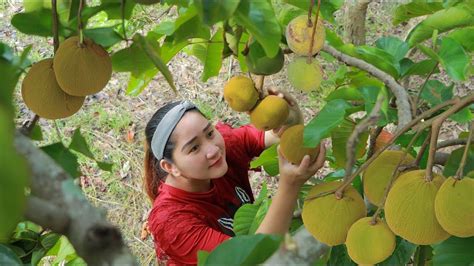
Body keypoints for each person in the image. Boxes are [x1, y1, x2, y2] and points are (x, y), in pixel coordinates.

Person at [143, 94, 326, 265]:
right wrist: (290, 186)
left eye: (209, 133)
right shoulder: (172, 224)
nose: (213, 150)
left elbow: (277, 137)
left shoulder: (224, 148)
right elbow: (251, 260)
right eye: (194, 148)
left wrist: (288, 118)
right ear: (170, 167)